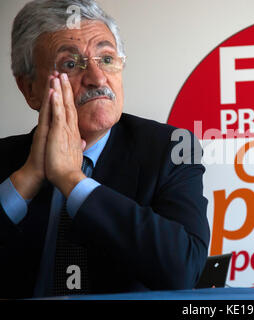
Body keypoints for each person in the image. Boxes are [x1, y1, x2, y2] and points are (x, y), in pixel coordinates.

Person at [0, 0, 210, 298]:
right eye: (71, 65)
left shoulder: (171, 148)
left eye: (107, 59)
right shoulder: (5, 160)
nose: (98, 78)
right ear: (29, 89)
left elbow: (182, 270)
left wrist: (73, 181)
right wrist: (27, 179)